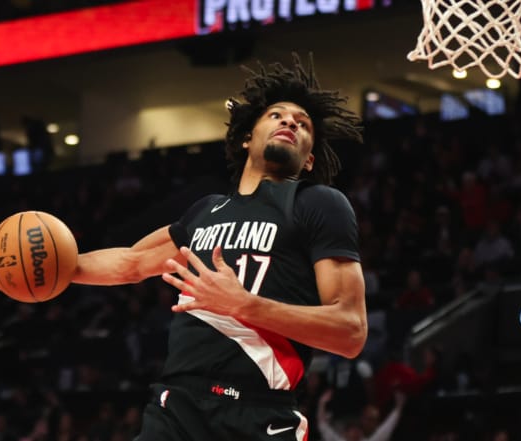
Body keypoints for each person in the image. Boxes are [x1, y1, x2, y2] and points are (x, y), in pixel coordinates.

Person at [72, 53, 367, 441]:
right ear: (247, 138)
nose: (290, 122)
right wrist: (60, 269)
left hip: (259, 414)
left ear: (309, 159)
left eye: (303, 123)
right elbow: (131, 262)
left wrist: (245, 305)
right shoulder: (205, 211)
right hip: (177, 410)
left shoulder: (319, 203)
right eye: (276, 115)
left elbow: (350, 331)